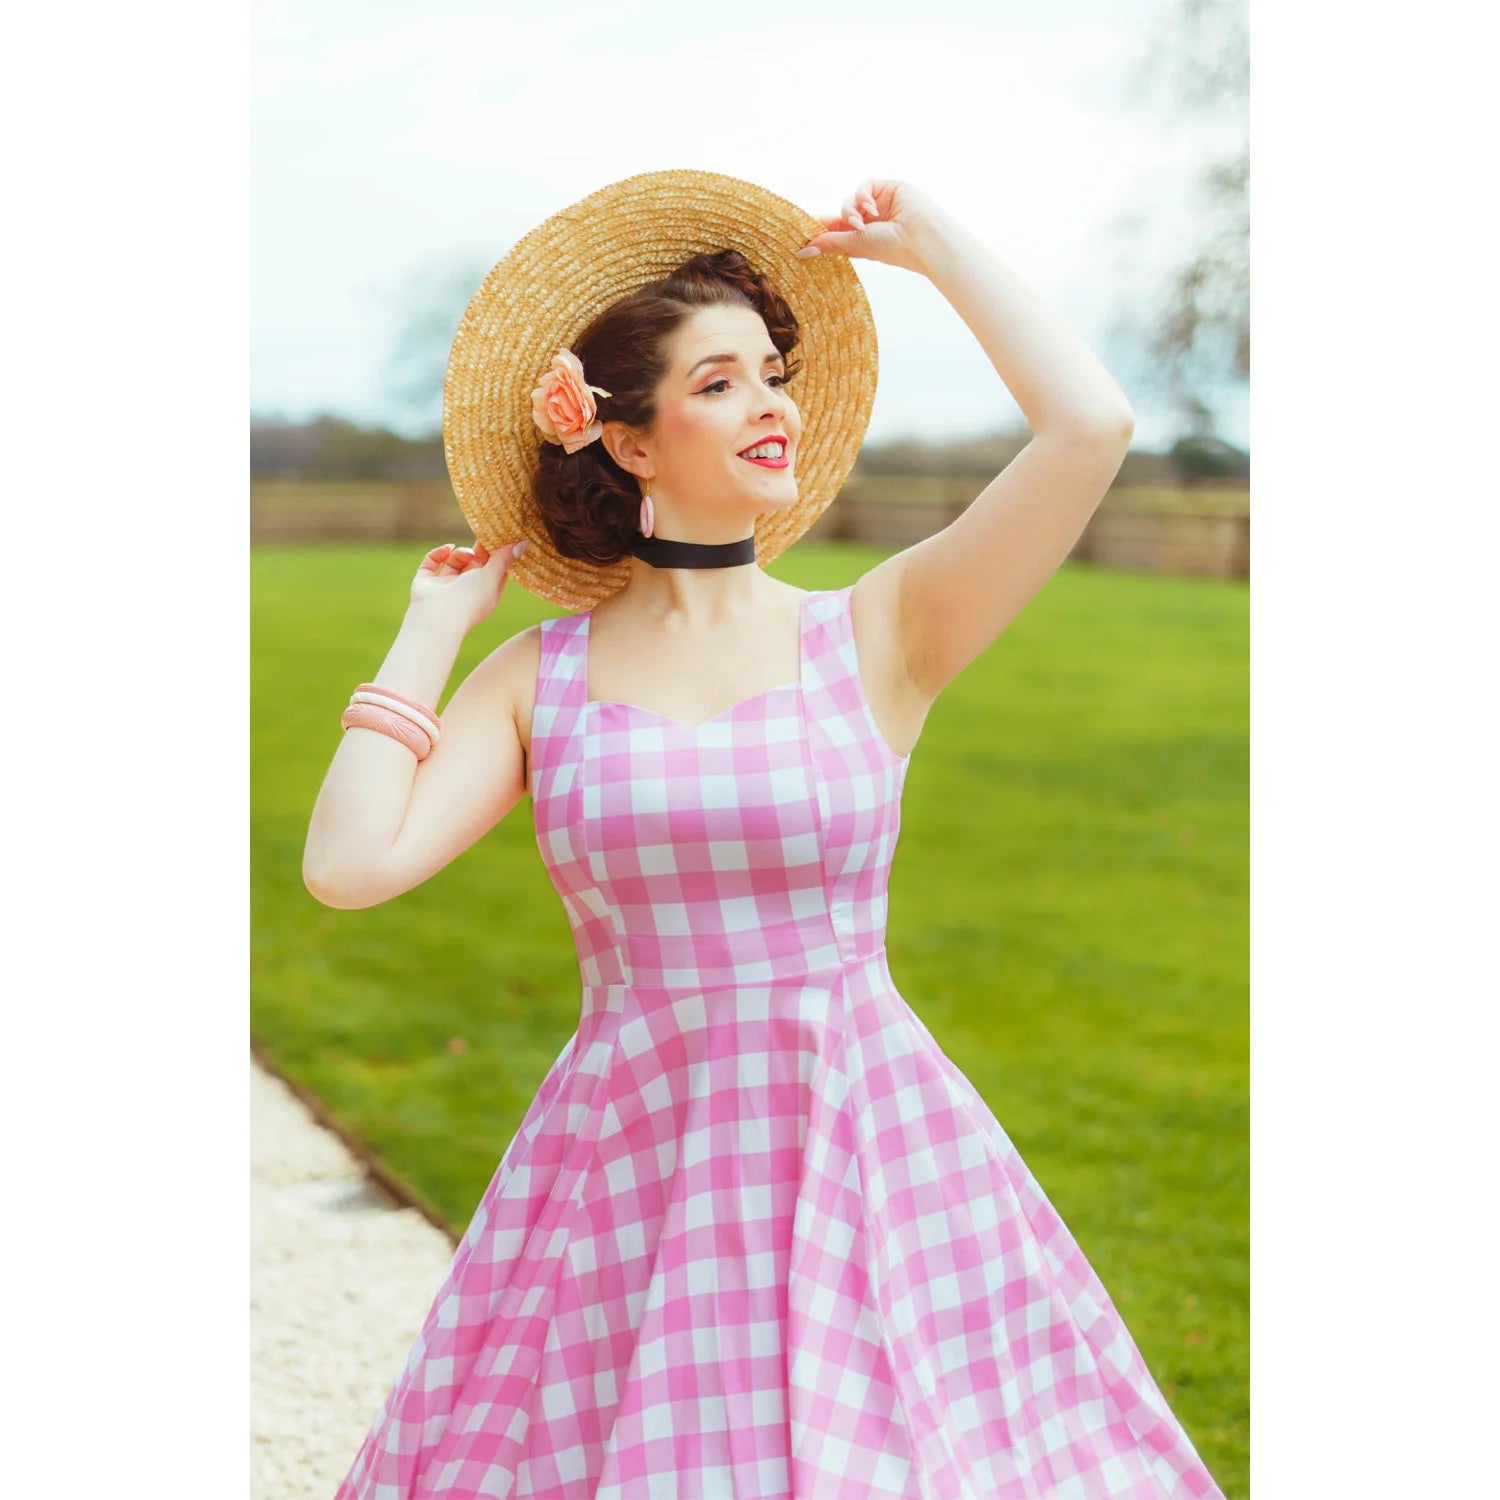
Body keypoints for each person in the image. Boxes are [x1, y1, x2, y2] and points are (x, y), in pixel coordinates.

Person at [304, 169, 1226, 1499]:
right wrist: (430, 634)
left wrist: (937, 246)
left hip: (864, 1142)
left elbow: (1091, 426)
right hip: (629, 1163)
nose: (771, 405)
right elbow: (347, 868)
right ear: (627, 441)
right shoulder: (538, 679)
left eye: (773, 374)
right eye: (721, 382)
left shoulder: (879, 633)